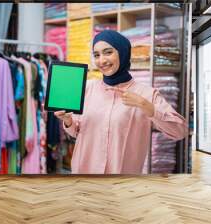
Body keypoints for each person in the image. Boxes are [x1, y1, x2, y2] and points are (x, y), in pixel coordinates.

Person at [54, 30, 187, 174]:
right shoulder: (87, 88)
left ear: (123, 53)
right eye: (97, 55)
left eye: (108, 52)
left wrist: (146, 106)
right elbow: (77, 132)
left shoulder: (146, 94)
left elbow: (180, 131)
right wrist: (68, 121)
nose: (102, 61)